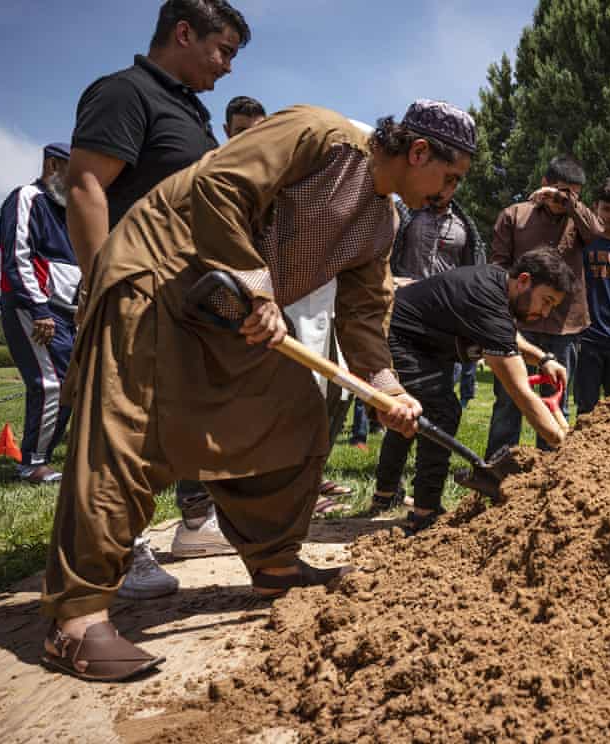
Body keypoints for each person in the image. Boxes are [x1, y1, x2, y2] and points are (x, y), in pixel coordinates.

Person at [40, 101, 475, 683]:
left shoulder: (382, 223)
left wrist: (385, 387)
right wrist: (258, 289)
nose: (448, 194)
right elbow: (219, 186)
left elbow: (365, 312)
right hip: (160, 276)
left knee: (293, 412)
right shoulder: (320, 135)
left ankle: (275, 564)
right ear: (419, 152)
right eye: (450, 177)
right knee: (127, 434)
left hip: (233, 311)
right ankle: (76, 619)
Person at [67, 0, 251, 593]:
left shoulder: (192, 111)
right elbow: (86, 186)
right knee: (122, 426)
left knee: (179, 420)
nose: (227, 67)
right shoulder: (126, 93)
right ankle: (117, 553)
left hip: (182, 296)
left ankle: (192, 523)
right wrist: (103, 284)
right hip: (132, 287)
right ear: (184, 33)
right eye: (223, 51)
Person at [375, 252, 574, 530]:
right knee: (441, 411)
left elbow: (507, 335)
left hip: (421, 343)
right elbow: (521, 393)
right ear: (524, 281)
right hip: (401, 336)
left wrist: (543, 359)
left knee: (410, 412)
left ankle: (385, 495)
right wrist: (565, 445)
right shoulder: (488, 299)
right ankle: (425, 512)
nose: (545, 313)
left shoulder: (498, 288)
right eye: (546, 301)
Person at [370, 191, 484, 512]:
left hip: (443, 329)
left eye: (454, 182)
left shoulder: (463, 225)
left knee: (416, 408)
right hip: (404, 320)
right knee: (411, 404)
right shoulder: (407, 215)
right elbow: (379, 257)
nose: (445, 189)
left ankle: (389, 493)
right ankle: (413, 501)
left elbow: (470, 270)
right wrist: (393, 280)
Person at [486, 155, 606, 456]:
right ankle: (500, 464)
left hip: (565, 324)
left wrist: (569, 203)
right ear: (544, 184)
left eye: (573, 194)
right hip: (519, 324)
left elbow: (597, 234)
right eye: (561, 191)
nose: (565, 200)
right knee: (509, 399)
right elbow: (498, 268)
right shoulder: (514, 215)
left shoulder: (579, 220)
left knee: (557, 401)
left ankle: (552, 467)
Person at [0, 144, 79, 484]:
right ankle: (32, 463)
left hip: (67, 313)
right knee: (51, 383)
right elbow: (17, 256)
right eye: (75, 170)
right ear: (53, 165)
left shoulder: (70, 212)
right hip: (35, 309)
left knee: (71, 383)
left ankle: (43, 453)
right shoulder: (27, 197)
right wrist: (39, 307)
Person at [575, 177, 610, 414]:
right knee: (586, 408)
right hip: (588, 339)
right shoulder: (583, 244)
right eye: (606, 209)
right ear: (595, 207)